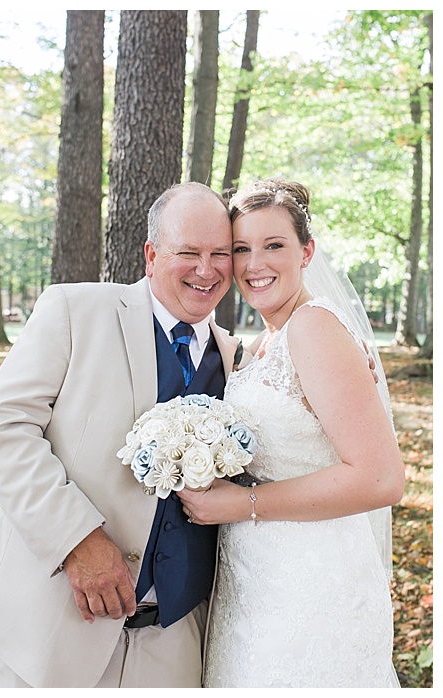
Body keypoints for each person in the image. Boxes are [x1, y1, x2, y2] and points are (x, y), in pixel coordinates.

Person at [0, 182, 238, 687]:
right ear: (150, 254)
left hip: (176, 644)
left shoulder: (237, 359)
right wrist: (77, 540)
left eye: (219, 254)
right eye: (188, 253)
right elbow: (3, 426)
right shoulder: (75, 310)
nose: (206, 270)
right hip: (55, 627)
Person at [179, 179, 403, 687]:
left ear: (307, 252)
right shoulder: (261, 343)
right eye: (241, 249)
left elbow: (381, 479)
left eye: (274, 245)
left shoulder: (314, 328)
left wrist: (241, 505)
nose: (255, 263)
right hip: (256, 576)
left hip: (313, 581)